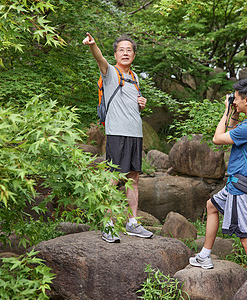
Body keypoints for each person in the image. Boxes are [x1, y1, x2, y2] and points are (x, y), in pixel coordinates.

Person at [189, 79, 247, 274]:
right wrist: (234, 114)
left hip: (242, 188)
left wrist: (225, 112)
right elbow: (233, 133)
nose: (234, 102)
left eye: (237, 99)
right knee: (212, 206)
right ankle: (205, 255)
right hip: (238, 184)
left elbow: (218, 138)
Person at [82, 33, 153, 242]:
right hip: (117, 133)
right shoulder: (110, 72)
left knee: (134, 178)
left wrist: (141, 103)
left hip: (135, 133)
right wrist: (93, 46)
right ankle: (108, 224)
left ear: (134, 54)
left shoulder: (135, 76)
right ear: (115, 54)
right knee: (113, 179)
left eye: (129, 50)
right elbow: (100, 60)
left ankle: (132, 223)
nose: (125, 53)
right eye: (121, 50)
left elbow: (132, 102)